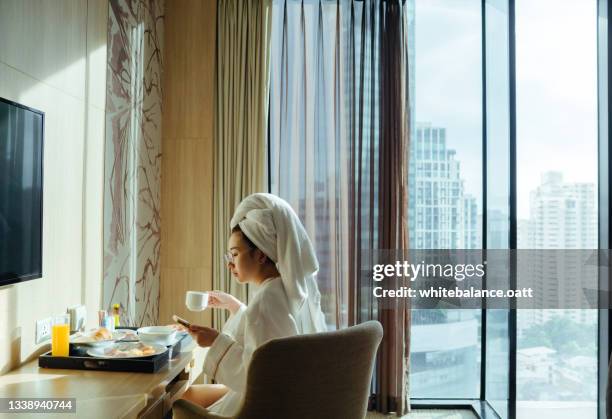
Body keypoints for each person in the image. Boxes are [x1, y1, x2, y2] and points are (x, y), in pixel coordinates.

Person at [181, 193, 328, 416]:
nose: (230, 264)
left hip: (259, 407)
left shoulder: (265, 302)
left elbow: (257, 377)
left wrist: (215, 340)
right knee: (186, 394)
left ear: (260, 255)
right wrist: (235, 307)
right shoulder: (279, 290)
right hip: (285, 397)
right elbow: (264, 340)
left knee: (175, 399)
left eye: (235, 254)